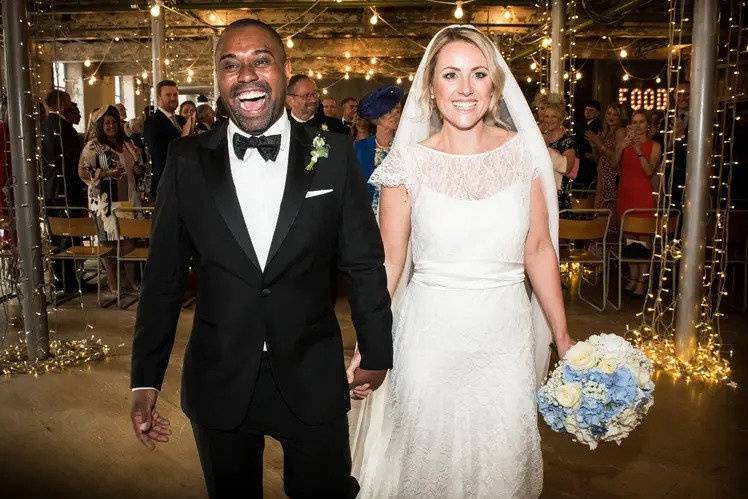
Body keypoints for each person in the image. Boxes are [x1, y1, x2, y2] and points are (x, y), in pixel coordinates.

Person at [129, 18, 392, 499]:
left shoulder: (332, 154)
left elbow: (363, 261)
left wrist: (376, 349)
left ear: (285, 71)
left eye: (260, 61)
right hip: (220, 379)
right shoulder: (186, 162)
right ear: (218, 80)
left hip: (312, 375)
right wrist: (144, 379)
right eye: (230, 65)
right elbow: (164, 280)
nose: (245, 75)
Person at [348, 25, 573, 497]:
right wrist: (367, 341)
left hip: (504, 340)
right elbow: (389, 264)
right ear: (431, 87)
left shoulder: (522, 156)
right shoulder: (406, 164)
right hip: (429, 340)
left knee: (501, 460)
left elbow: (537, 249)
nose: (465, 89)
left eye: (478, 74)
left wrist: (564, 337)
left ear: (494, 87)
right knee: (426, 458)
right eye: (451, 75)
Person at [78, 106, 144, 292]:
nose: (111, 126)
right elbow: (83, 170)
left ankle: (132, 280)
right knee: (108, 243)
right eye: (106, 123)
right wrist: (105, 172)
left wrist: (139, 170)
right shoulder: (93, 146)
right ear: (100, 125)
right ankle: (113, 281)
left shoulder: (128, 144)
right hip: (105, 200)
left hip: (128, 198)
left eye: (114, 122)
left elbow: (138, 166)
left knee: (129, 242)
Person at [614, 109, 661, 296]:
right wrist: (620, 147)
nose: (638, 125)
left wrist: (639, 150)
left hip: (643, 195)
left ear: (647, 125)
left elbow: (649, 171)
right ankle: (633, 279)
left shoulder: (655, 146)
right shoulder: (624, 143)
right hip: (626, 193)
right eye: (634, 121)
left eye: (641, 122)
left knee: (643, 239)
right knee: (630, 241)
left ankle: (642, 282)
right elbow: (613, 163)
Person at [353, 85, 402, 210]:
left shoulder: (403, 149)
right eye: (389, 111)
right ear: (376, 116)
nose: (394, 115)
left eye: (397, 111)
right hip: (365, 214)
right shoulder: (359, 148)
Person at [142, 80, 192, 199]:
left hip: (184, 180)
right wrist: (184, 138)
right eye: (168, 95)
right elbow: (159, 153)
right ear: (159, 98)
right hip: (165, 182)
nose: (173, 98)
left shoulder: (181, 120)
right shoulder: (152, 122)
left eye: (175, 95)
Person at [586, 103, 627, 214]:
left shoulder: (620, 132)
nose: (611, 117)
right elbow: (597, 159)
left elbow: (616, 158)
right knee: (599, 218)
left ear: (620, 117)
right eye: (609, 113)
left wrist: (599, 144)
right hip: (602, 177)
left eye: (615, 114)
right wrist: (594, 145)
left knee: (608, 215)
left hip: (612, 178)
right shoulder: (606, 133)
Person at [542, 99, 577, 209]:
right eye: (547, 116)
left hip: (558, 194)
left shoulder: (567, 141)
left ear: (561, 119)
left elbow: (566, 168)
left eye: (554, 117)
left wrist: (550, 153)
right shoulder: (541, 138)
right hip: (542, 190)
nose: (549, 120)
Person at [575, 99, 602, 187]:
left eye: (591, 110)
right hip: (581, 162)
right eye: (586, 110)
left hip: (589, 163)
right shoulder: (582, 124)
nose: (588, 112)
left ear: (598, 113)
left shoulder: (597, 126)